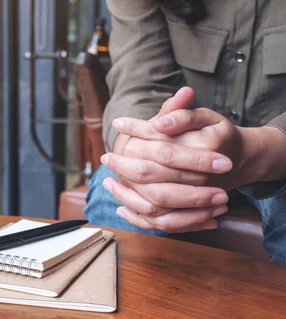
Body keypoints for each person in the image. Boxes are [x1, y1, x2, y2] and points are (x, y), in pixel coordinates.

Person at [85, 0, 286, 263]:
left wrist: (256, 152)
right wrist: (141, 149)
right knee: (113, 197)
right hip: (182, 153)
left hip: (279, 158)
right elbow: (138, 82)